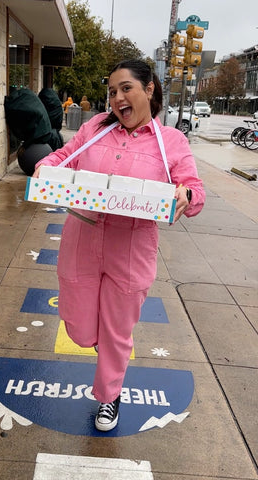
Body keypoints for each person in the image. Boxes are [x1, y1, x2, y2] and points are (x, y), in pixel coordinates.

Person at [33, 59, 206, 432]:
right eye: (112, 91)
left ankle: (109, 395)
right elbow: (65, 156)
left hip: (131, 250)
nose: (117, 98)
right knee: (79, 328)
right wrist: (46, 165)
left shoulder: (172, 141)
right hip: (82, 239)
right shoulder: (96, 127)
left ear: (149, 89)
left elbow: (194, 189)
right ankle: (105, 349)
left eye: (126, 88)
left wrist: (185, 194)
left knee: (116, 332)